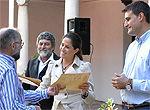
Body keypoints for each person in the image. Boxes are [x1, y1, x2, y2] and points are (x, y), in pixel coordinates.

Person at [0, 27, 62, 110]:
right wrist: (34, 109)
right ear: (13, 46)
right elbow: (11, 107)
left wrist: (45, 93)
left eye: (46, 44)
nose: (21, 47)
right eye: (20, 43)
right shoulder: (8, 70)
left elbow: (18, 94)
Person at [37, 32, 95, 110]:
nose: (62, 49)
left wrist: (85, 93)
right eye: (62, 45)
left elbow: (91, 101)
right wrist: (28, 98)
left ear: (75, 50)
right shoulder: (52, 65)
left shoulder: (84, 67)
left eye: (67, 47)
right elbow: (43, 86)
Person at [111, 1, 150, 110]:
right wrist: (120, 81)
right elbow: (128, 76)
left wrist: (129, 83)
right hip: (126, 107)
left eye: (128, 19)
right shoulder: (132, 47)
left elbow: (129, 82)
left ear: (141, 16)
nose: (125, 24)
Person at [23, 31, 60, 109]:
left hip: (50, 107)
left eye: (46, 44)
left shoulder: (59, 62)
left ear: (53, 47)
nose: (43, 47)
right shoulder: (31, 62)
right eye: (41, 44)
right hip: (32, 107)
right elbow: (26, 86)